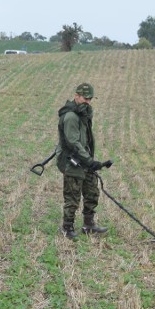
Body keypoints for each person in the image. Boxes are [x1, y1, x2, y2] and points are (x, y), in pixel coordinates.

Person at [56, 82, 109, 240]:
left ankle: (89, 225)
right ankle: (67, 227)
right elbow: (73, 142)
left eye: (90, 99)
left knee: (92, 192)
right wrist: (89, 160)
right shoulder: (71, 116)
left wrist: (90, 161)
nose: (88, 101)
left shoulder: (83, 114)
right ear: (76, 96)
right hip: (72, 161)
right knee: (72, 196)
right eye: (85, 98)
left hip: (84, 159)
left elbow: (86, 141)